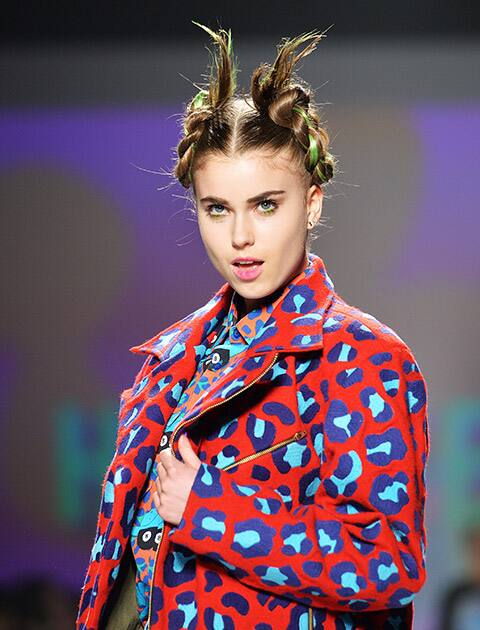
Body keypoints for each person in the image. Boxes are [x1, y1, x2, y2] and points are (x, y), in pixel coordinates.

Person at [76, 23, 430, 630]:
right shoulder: (172, 358)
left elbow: (389, 562)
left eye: (267, 204)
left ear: (312, 201)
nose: (241, 237)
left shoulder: (358, 357)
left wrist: (209, 508)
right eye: (218, 209)